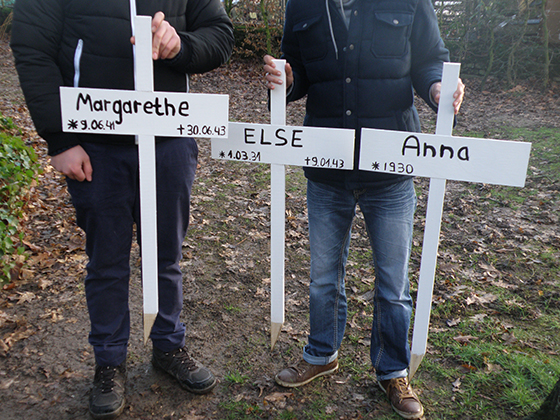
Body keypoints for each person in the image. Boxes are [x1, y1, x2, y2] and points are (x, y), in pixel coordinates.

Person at [11, 0, 233, 418]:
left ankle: (168, 345)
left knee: (166, 254)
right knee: (107, 260)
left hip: (170, 139)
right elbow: (31, 47)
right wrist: (58, 139)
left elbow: (220, 36)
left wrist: (180, 45)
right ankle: (109, 361)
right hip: (94, 146)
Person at [264, 0, 464, 419]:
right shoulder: (301, 3)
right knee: (322, 277)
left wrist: (437, 89)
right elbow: (296, 71)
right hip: (325, 165)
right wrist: (284, 78)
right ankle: (321, 353)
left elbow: (430, 59)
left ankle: (392, 370)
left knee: (393, 284)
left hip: (390, 168)